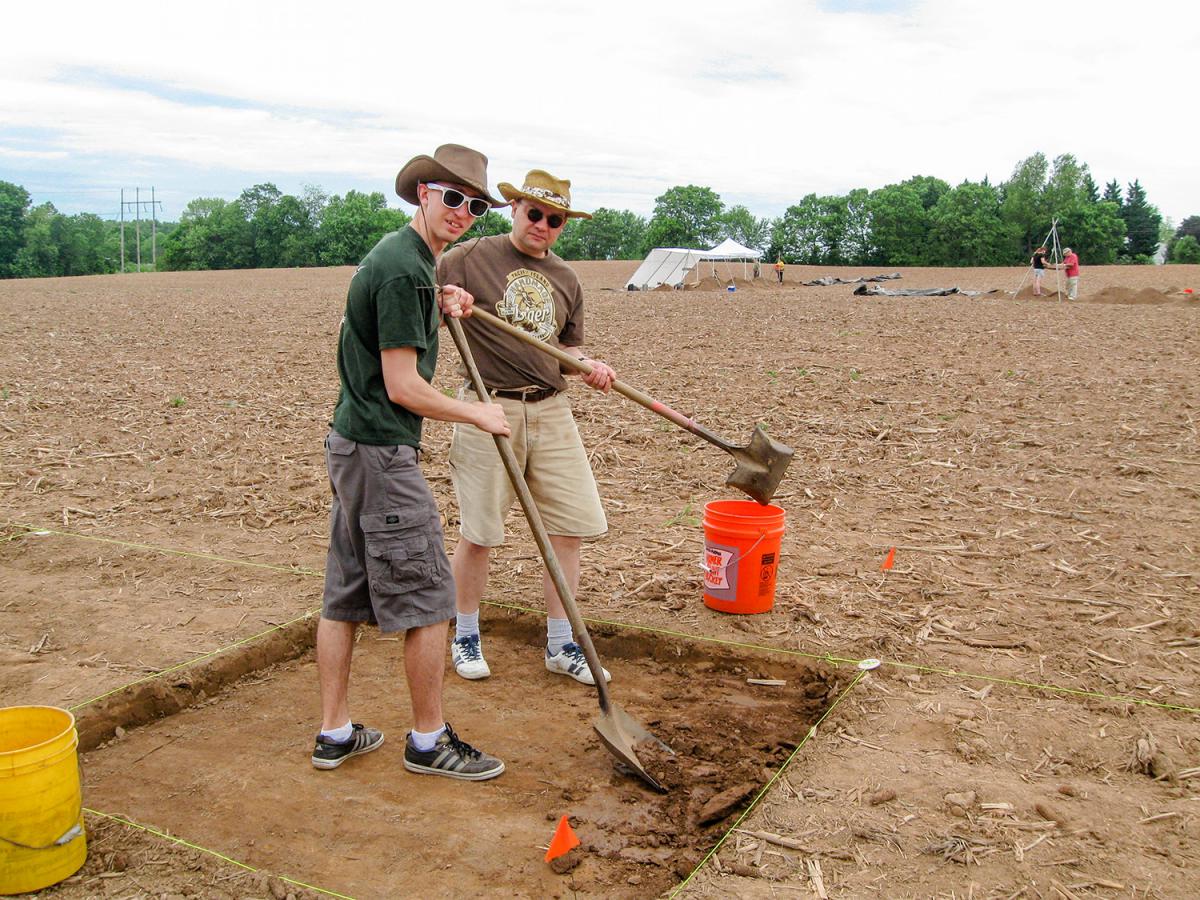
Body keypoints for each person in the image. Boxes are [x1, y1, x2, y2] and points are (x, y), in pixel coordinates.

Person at [313, 143, 512, 781]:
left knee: (344, 596)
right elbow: (402, 385)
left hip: (352, 445)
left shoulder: (408, 263)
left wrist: (442, 294)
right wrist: (475, 413)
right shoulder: (403, 267)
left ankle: (335, 733)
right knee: (431, 597)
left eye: (476, 205)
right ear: (423, 193)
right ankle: (428, 742)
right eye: (452, 197)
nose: (464, 211)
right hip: (380, 450)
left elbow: (395, 318)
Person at [437, 169, 615, 687]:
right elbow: (428, 302)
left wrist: (588, 366)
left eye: (554, 219)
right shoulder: (467, 258)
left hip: (552, 410)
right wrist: (449, 301)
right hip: (489, 409)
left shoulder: (566, 278)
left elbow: (567, 350)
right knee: (481, 532)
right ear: (513, 209)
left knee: (570, 527)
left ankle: (562, 645)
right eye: (534, 213)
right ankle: (465, 634)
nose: (542, 225)